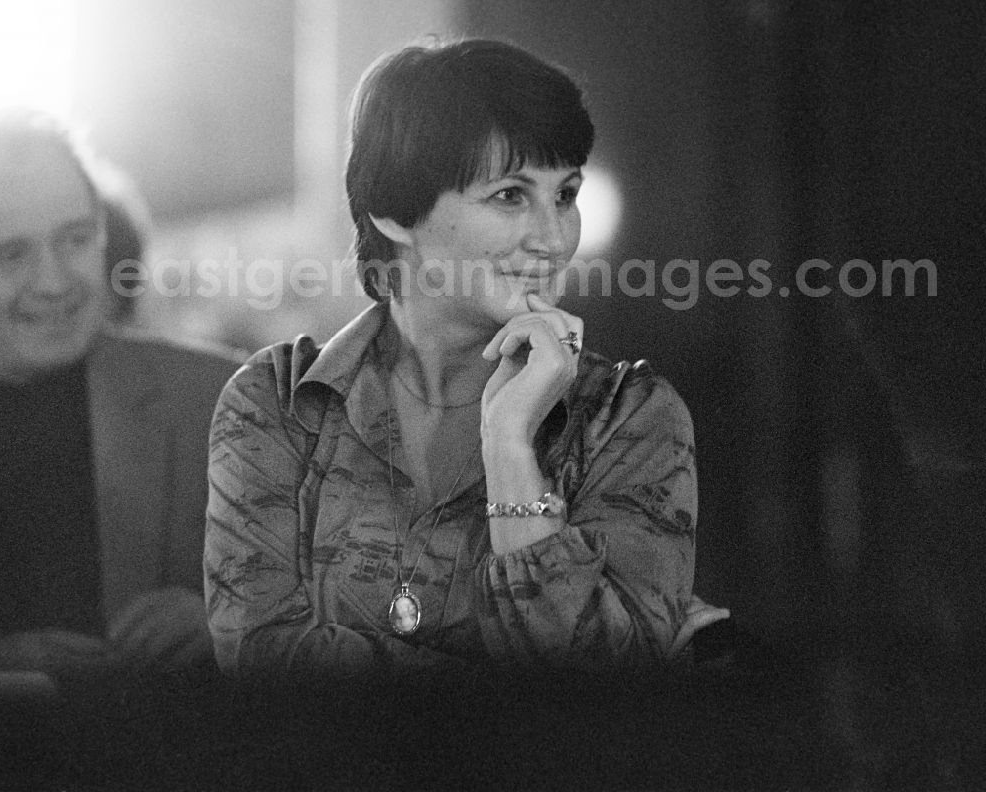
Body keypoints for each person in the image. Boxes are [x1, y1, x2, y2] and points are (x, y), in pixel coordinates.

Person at [204, 38, 726, 690]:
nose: (553, 236)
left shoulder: (632, 418)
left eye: (564, 195)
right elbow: (264, 670)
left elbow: (612, 698)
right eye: (510, 196)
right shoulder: (275, 406)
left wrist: (511, 451)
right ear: (394, 210)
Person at [0, 107, 243, 683]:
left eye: (75, 239)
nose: (53, 281)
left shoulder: (226, 401)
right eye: (10, 254)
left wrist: (234, 622)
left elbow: (368, 606)